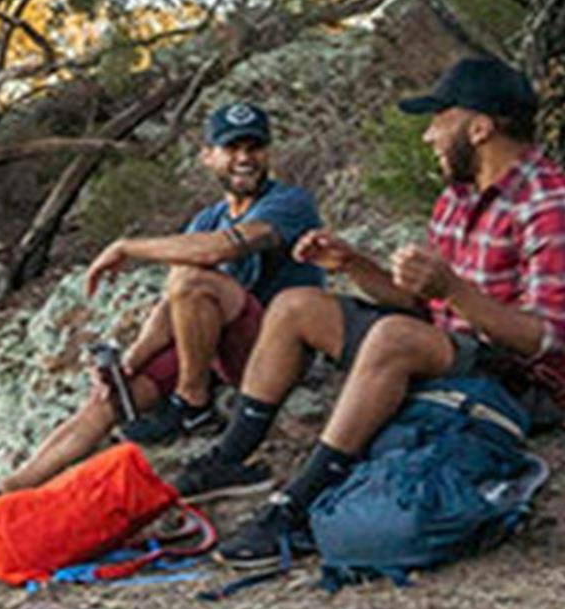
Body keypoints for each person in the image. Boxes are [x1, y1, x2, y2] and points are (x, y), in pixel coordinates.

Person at [186, 56, 565, 569]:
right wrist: (350, 263)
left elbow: (548, 340)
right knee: (297, 306)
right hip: (449, 347)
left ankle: (295, 507)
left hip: (518, 378)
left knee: (393, 338)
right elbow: (421, 304)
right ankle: (229, 459)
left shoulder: (548, 202)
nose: (430, 136)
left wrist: (453, 291)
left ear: (479, 128)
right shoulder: (456, 197)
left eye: (439, 120)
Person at [0, 101, 323, 518]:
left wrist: (126, 247)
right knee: (109, 401)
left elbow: (221, 250)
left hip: (274, 352)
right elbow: (174, 303)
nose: (245, 157)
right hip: (219, 350)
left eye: (254, 146)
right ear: (208, 156)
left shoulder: (290, 203)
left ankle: (192, 403)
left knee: (192, 277)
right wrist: (129, 366)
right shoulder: (208, 217)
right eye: (232, 148)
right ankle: (4, 490)